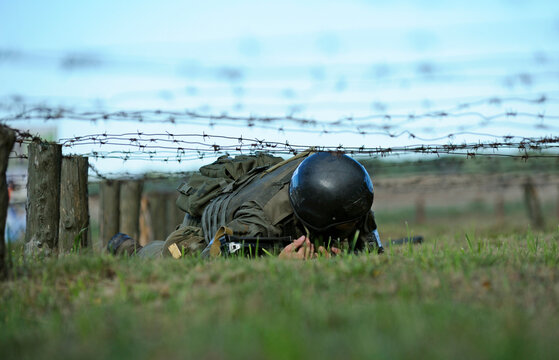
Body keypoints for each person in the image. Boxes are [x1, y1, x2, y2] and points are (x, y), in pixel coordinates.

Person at [108, 151, 383, 259]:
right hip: (205, 230)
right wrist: (279, 262)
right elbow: (213, 256)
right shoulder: (259, 221)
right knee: (171, 260)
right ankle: (126, 248)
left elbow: (372, 251)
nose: (355, 227)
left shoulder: (347, 196)